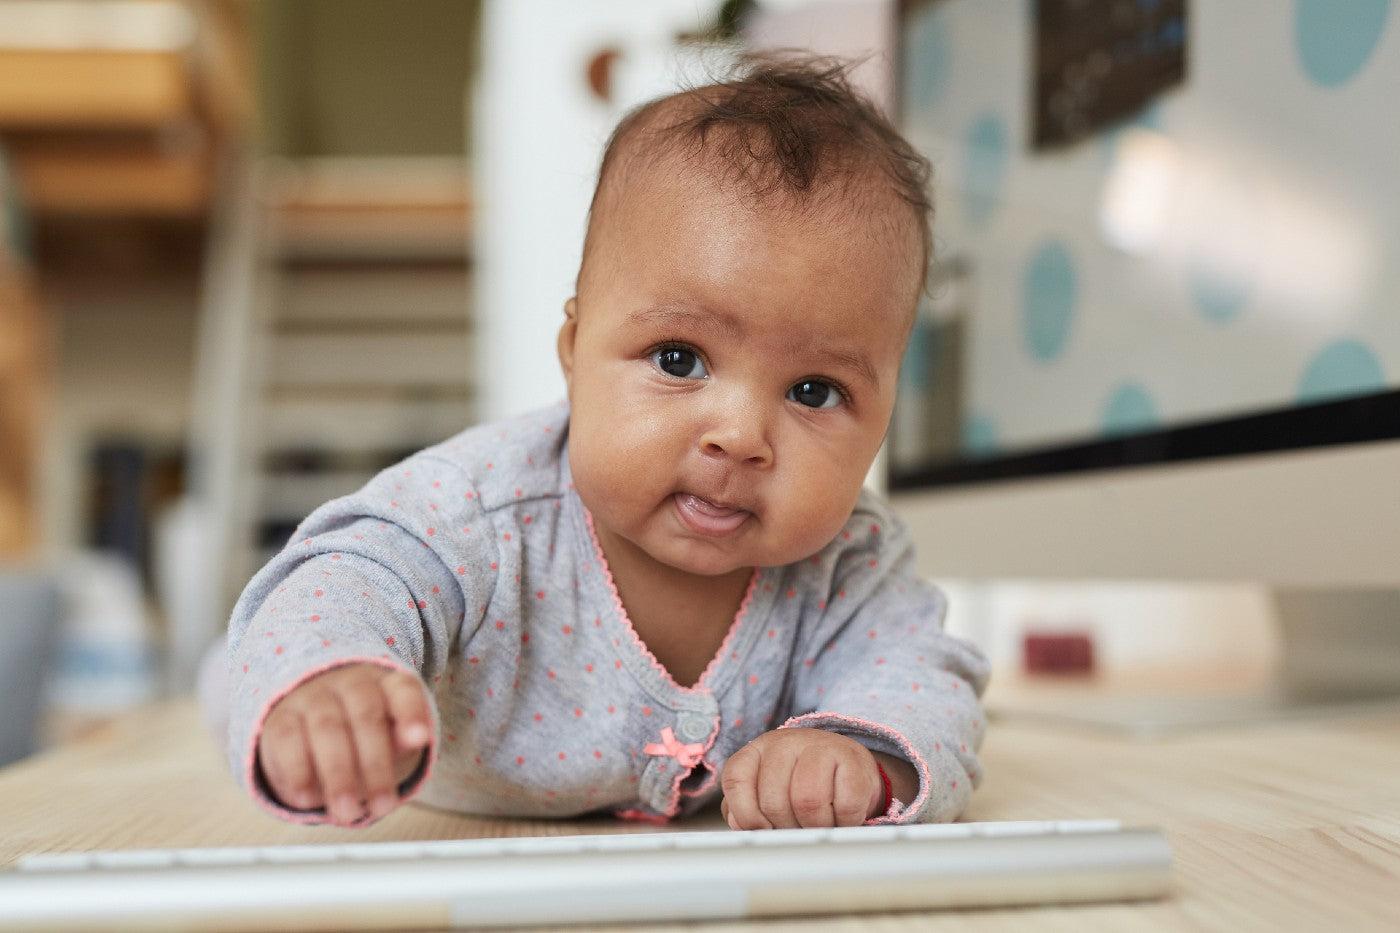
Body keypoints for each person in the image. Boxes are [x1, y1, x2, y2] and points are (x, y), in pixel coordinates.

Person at [219, 55, 990, 830]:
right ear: (575, 350)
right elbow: (345, 581)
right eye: (678, 359)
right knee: (247, 670)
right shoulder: (477, 515)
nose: (739, 437)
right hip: (440, 796)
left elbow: (924, 681)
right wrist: (330, 681)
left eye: (813, 391)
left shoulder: (850, 563)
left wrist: (863, 756)